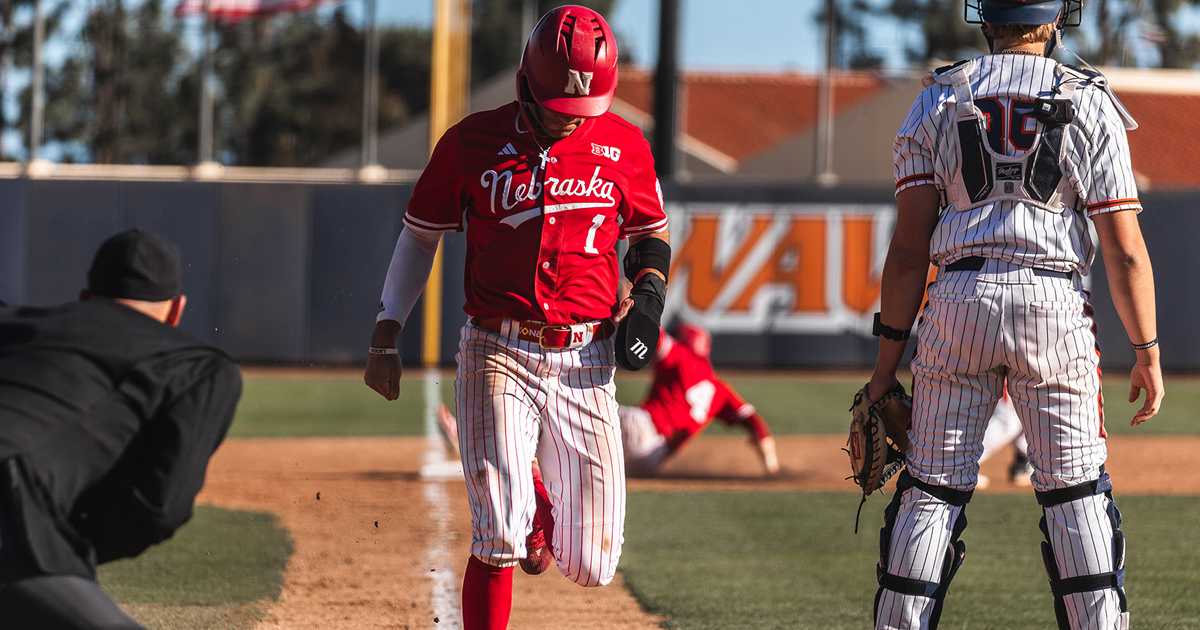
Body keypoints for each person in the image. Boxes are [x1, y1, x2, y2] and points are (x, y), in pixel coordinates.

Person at [363, 6, 670, 630]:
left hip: (589, 359)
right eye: (556, 104)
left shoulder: (624, 144)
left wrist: (649, 297)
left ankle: (540, 511)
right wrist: (387, 330)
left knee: (593, 565)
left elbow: (649, 236)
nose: (567, 119)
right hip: (497, 349)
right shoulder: (471, 141)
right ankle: (518, 513)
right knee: (497, 535)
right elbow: (419, 237)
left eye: (580, 109)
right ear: (525, 83)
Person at [866, 0, 1163, 627]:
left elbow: (907, 252)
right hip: (1053, 301)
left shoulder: (939, 99)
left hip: (958, 299)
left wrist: (884, 368)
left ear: (987, 17)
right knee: (1075, 493)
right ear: (1054, 20)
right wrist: (1147, 351)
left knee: (933, 489)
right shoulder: (1088, 99)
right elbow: (1126, 252)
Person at [0, 229, 242, 629]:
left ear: (85, 298)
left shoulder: (14, 323)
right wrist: (58, 543)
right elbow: (157, 510)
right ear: (176, 311)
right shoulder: (199, 367)